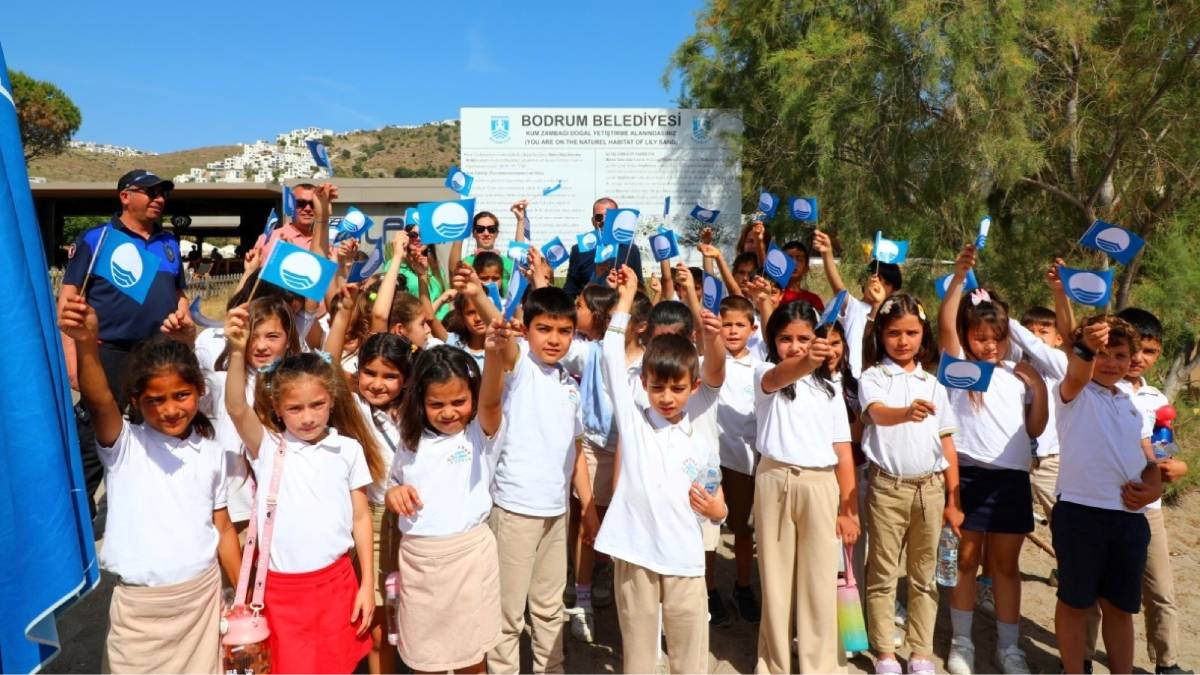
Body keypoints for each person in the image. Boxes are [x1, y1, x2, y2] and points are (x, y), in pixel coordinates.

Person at [61, 298, 239, 674]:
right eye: (155, 400)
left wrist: (241, 596)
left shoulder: (210, 452)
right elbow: (99, 400)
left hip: (202, 601)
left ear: (199, 391)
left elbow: (222, 527)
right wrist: (86, 344)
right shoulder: (125, 445)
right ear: (136, 402)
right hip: (140, 611)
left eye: (181, 395)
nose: (170, 409)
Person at [223, 307, 385, 673]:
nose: (308, 416)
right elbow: (235, 406)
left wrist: (367, 585)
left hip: (338, 583)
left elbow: (361, 517)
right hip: (279, 592)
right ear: (278, 409)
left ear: (332, 401)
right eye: (295, 408)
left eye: (317, 405)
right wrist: (236, 352)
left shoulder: (348, 449)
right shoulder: (268, 447)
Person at [594, 264, 728, 675]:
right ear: (644, 384)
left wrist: (713, 510)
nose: (666, 397)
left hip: (685, 560)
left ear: (693, 387)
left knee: (689, 656)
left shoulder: (700, 442)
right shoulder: (635, 424)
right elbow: (611, 357)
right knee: (638, 654)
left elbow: (719, 506)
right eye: (657, 387)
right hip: (636, 555)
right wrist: (624, 299)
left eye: (677, 388)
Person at [939, 244, 1048, 675]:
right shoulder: (959, 366)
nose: (988, 345)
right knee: (966, 560)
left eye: (997, 338)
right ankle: (962, 643)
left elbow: (1036, 428)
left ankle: (1009, 647)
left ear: (1009, 337)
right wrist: (959, 279)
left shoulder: (1018, 373)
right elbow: (947, 320)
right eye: (980, 337)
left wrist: (1036, 385)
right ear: (967, 337)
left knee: (1005, 566)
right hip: (967, 478)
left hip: (1011, 483)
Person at [479, 281, 598, 673]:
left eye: (564, 331)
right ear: (526, 329)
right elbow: (503, 348)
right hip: (514, 511)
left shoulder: (568, 385)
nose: (554, 339)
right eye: (544, 329)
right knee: (508, 614)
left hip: (557, 511)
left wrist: (588, 506)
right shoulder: (520, 369)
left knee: (549, 608)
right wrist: (482, 304)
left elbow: (576, 449)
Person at [59, 169, 191, 509]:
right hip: (109, 352)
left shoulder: (169, 243)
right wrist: (73, 359)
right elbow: (69, 299)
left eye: (163, 193)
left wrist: (182, 314)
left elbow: (180, 294)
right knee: (93, 438)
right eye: (150, 192)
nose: (159, 199)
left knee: (160, 430)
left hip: (159, 354)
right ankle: (79, 516)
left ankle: (154, 506)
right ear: (125, 197)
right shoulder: (98, 238)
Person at [387, 339, 508, 674]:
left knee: (472, 656)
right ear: (420, 402)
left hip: (469, 558)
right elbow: (396, 481)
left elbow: (493, 400)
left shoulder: (478, 435)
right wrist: (393, 494)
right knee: (426, 658)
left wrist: (495, 355)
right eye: (436, 403)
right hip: (419, 561)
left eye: (459, 401)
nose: (449, 411)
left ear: (473, 396)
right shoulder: (410, 438)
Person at [1051, 313, 1162, 675]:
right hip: (1081, 514)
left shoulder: (1132, 405)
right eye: (1103, 353)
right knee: (1075, 603)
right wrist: (1085, 345)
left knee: (1120, 607)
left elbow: (1146, 460)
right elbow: (1078, 369)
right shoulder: (1075, 392)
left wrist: (1153, 485)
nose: (1111, 363)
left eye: (1120, 355)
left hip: (1129, 519)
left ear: (1131, 359)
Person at [858, 293, 962, 675]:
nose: (903, 341)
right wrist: (905, 412)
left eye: (912, 332)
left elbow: (947, 443)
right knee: (883, 573)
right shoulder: (873, 377)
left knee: (924, 575)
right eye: (894, 333)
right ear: (880, 336)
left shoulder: (933, 384)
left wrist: (954, 497)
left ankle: (921, 652)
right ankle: (885, 652)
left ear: (924, 335)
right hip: (887, 489)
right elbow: (878, 415)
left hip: (931, 490)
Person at [753, 301, 860, 673]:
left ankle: (822, 666)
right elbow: (784, 374)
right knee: (776, 584)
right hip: (774, 481)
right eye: (785, 339)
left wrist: (850, 509)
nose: (795, 346)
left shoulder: (830, 388)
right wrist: (807, 360)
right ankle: (774, 665)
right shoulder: (765, 373)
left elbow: (843, 452)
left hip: (821, 486)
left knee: (819, 583)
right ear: (772, 341)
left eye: (803, 338)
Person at [328, 293, 417, 675]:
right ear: (357, 372)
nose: (377, 384)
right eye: (370, 373)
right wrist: (344, 313)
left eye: (390, 376)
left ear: (407, 378)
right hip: (374, 521)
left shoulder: (417, 409)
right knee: (379, 625)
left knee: (415, 616)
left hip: (415, 521)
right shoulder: (352, 405)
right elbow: (328, 361)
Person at [1101, 306, 1191, 675]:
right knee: (1097, 593)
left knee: (1160, 590)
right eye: (1131, 349)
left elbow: (1164, 447)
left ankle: (1166, 662)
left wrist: (1176, 465)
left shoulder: (1155, 399)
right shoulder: (1099, 387)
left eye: (1150, 351)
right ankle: (1080, 662)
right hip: (1104, 505)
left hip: (1148, 510)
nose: (1138, 359)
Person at [565, 284, 621, 643]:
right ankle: (582, 596)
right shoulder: (588, 352)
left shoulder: (631, 353)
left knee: (621, 525)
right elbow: (549, 329)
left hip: (629, 451)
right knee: (589, 523)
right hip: (597, 446)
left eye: (580, 305)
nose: (574, 308)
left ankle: (606, 581)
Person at [711, 294, 763, 623]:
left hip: (744, 459)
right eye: (726, 324)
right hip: (710, 457)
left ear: (751, 328)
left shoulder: (759, 368)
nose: (731, 331)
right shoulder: (709, 360)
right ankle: (708, 590)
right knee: (707, 527)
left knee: (743, 529)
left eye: (739, 325)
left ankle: (743, 586)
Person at [812, 229, 902, 377]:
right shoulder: (853, 307)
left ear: (892, 290)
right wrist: (827, 253)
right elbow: (838, 288)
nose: (878, 285)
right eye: (875, 278)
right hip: (850, 379)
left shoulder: (891, 317)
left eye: (886, 283)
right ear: (863, 280)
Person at [563, 197, 644, 296]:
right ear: (593, 221)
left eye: (609, 217)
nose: (604, 221)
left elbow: (640, 289)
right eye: (599, 217)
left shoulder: (630, 250)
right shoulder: (579, 249)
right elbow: (570, 290)